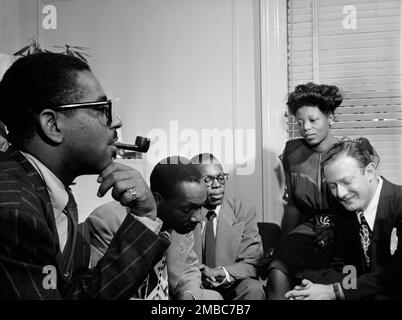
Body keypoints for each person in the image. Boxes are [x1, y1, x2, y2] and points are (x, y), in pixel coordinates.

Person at [0, 53, 169, 299]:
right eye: (103, 109)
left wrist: (143, 218)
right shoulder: (14, 212)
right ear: (53, 125)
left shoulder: (57, 198)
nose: (117, 122)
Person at [89, 156, 222, 300]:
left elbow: (188, 269)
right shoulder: (108, 221)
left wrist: (188, 295)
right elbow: (102, 290)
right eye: (187, 209)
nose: (198, 218)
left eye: (199, 207)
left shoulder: (180, 226)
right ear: (157, 199)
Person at [286, 137, 402, 300]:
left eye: (346, 181)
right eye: (332, 186)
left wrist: (333, 291)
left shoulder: (399, 205)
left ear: (369, 172)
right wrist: (313, 290)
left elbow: (395, 275)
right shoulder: (347, 211)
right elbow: (348, 267)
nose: (340, 193)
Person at [267, 83, 349, 299]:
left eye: (313, 120)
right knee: (278, 266)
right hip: (309, 229)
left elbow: (363, 209)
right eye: (300, 122)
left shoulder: (351, 153)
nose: (306, 127)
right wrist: (281, 244)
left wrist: (337, 230)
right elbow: (293, 205)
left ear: (330, 118)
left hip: (346, 231)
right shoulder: (292, 152)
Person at [190, 153, 265, 300]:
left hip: (231, 284)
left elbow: (252, 262)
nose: (217, 185)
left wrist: (223, 273)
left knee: (254, 289)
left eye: (220, 178)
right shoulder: (184, 213)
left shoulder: (243, 210)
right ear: (193, 182)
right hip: (194, 285)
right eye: (208, 180)